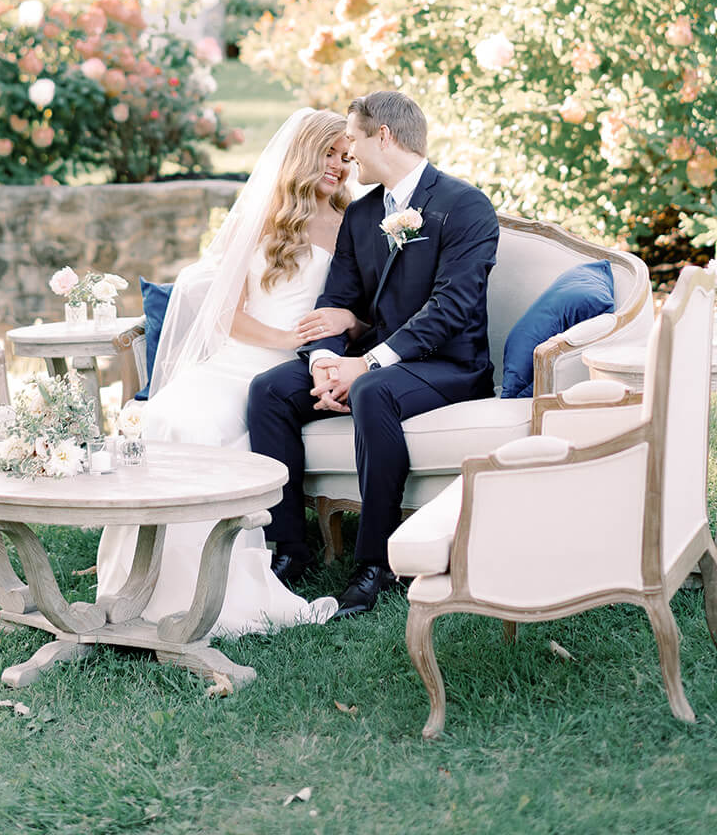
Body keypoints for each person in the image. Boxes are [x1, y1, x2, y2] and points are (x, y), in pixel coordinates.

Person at [94, 107, 356, 635]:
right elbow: (224, 314)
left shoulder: (354, 223)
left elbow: (367, 306)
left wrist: (345, 323)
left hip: (291, 372)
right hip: (236, 361)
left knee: (200, 432)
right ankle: (135, 583)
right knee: (161, 419)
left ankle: (208, 592)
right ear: (303, 154)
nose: (339, 166)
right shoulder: (259, 217)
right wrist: (281, 336)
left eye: (347, 156)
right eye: (329, 153)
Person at [247, 89, 499, 617]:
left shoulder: (464, 206)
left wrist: (365, 364)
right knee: (269, 391)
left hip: (448, 366)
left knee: (373, 389)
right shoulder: (361, 216)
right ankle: (291, 549)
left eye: (354, 139)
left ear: (382, 135)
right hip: (369, 359)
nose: (350, 152)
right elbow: (335, 301)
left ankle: (376, 564)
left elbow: (451, 308)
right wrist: (322, 364)